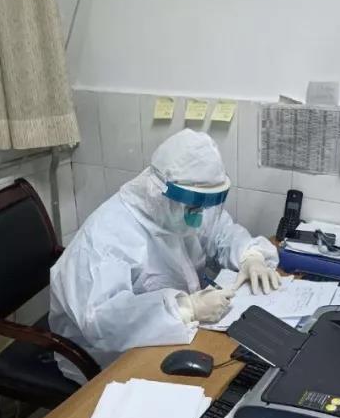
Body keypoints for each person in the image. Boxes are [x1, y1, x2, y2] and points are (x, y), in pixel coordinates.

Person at [49, 130, 280, 381]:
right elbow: (101, 322)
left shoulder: (179, 208)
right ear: (158, 192)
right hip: (106, 359)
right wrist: (186, 309)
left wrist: (251, 256)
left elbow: (220, 230)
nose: (199, 213)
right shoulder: (108, 238)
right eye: (195, 205)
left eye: (204, 205)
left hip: (170, 337)